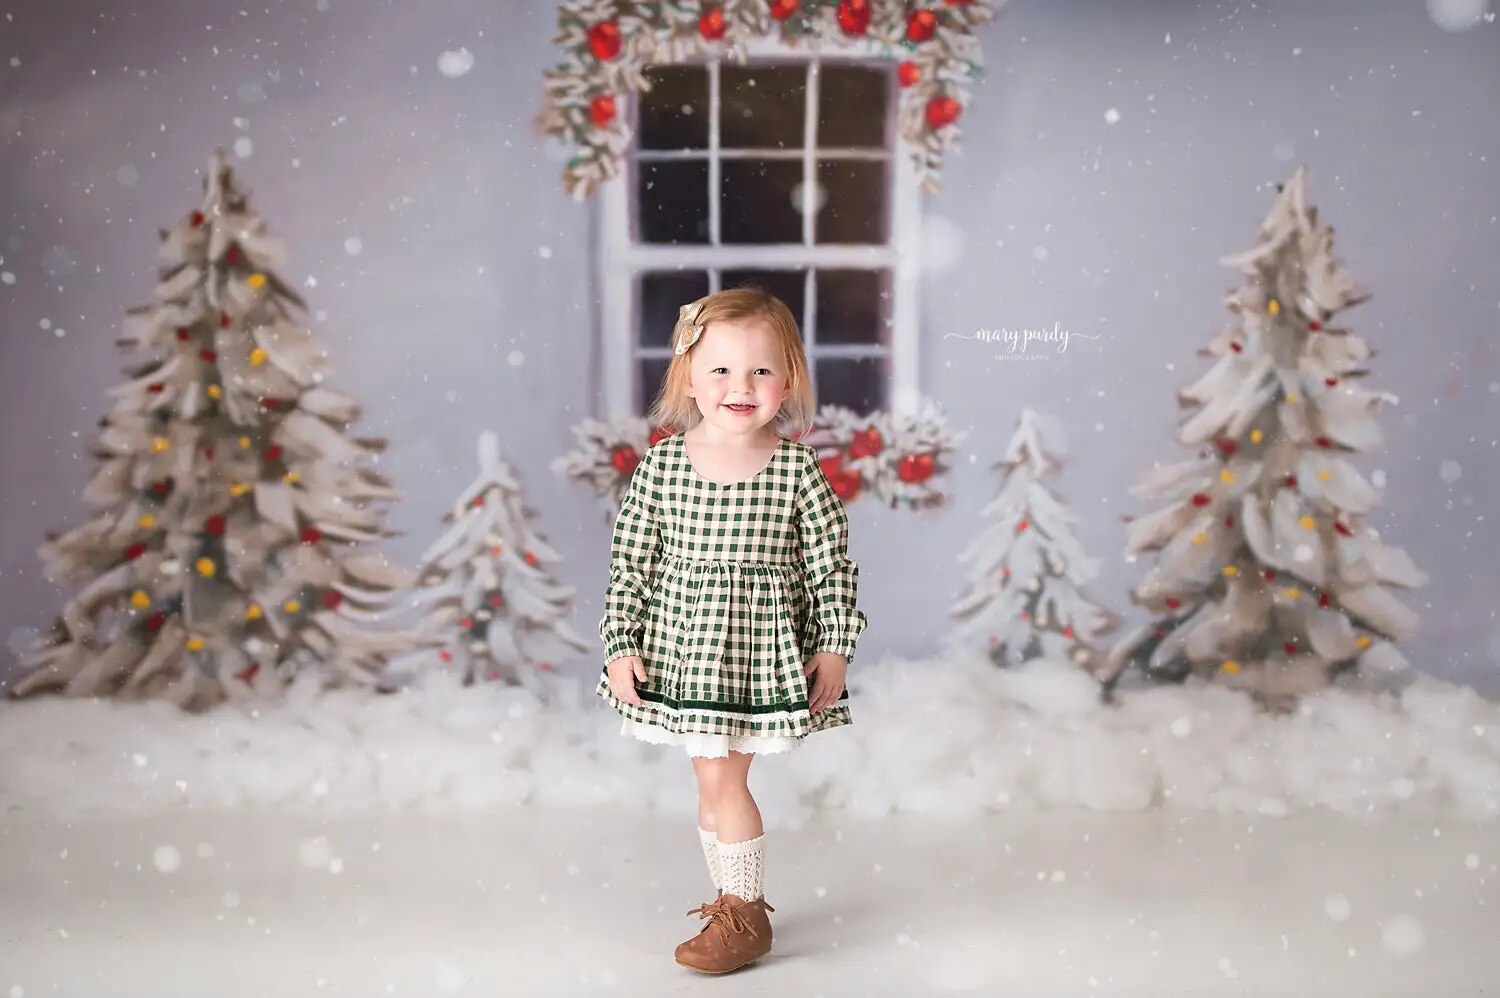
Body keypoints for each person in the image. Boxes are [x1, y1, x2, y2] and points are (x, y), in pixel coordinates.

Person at [595, 286, 868, 974]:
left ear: (789, 381)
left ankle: (744, 915)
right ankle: (729, 902)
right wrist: (622, 643)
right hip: (686, 658)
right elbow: (631, 563)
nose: (739, 387)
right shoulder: (662, 465)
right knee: (709, 782)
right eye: (720, 370)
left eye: (760, 372)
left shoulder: (797, 470)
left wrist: (834, 647)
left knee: (725, 782)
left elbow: (832, 566)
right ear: (688, 375)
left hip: (753, 658)